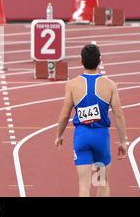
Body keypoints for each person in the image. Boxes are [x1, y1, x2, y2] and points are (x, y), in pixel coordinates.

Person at [54, 44, 127, 197]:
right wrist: (122, 142)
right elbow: (119, 115)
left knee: (84, 185)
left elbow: (65, 114)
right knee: (101, 181)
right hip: (101, 137)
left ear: (81, 61)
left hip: (82, 136)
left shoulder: (72, 85)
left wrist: (59, 135)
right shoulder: (110, 85)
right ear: (99, 61)